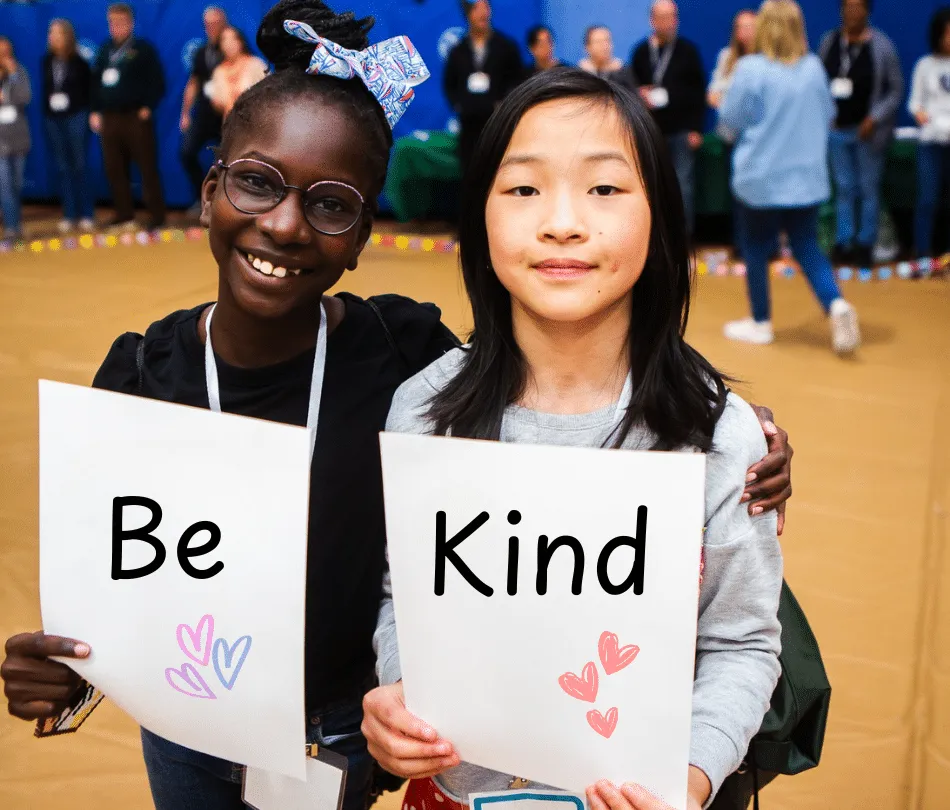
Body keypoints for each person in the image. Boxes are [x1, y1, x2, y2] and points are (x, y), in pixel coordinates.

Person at [0, 5, 794, 809]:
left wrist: (740, 435)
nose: (282, 223)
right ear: (211, 191)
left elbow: (574, 366)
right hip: (198, 727)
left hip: (349, 736)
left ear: (362, 232)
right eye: (256, 182)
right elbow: (123, 582)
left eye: (330, 203)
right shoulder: (149, 377)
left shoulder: (404, 357)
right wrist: (72, 670)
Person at [362, 67, 784, 810]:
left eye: (605, 189)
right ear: (481, 214)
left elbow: (740, 643)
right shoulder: (425, 411)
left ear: (659, 215)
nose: (562, 221)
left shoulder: (718, 435)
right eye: (523, 189)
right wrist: (399, 689)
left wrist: (686, 783)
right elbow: (409, 593)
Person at [720, 0, 860, 354]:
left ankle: (760, 322)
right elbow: (829, 113)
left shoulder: (751, 69)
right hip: (807, 179)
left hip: (760, 179)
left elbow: (729, 119)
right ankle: (836, 305)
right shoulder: (814, 68)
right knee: (807, 246)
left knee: (755, 249)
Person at [819, 0, 904, 267]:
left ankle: (866, 244)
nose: (852, 12)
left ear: (867, 11)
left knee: (868, 189)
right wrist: (825, 112)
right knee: (844, 189)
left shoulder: (882, 45)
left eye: (858, 7)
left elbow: (895, 90)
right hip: (836, 130)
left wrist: (874, 117)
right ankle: (844, 242)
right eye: (847, 7)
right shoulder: (829, 42)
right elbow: (818, 82)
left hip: (868, 132)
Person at [630, 0, 706, 236]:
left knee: (683, 186)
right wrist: (640, 92)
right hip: (651, 130)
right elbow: (632, 86)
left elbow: (698, 92)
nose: (668, 22)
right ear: (652, 20)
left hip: (682, 130)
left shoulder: (688, 51)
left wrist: (696, 128)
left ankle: (682, 239)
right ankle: (653, 238)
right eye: (662, 17)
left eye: (672, 16)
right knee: (650, 185)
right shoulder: (642, 51)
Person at [89, 3, 167, 230]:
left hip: (136, 117)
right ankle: (124, 214)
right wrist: (95, 110)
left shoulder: (143, 49)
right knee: (114, 167)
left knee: (146, 166)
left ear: (130, 23)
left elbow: (158, 82)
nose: (117, 27)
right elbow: (95, 83)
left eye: (121, 22)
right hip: (110, 118)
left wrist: (148, 106)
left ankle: (156, 215)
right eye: (113, 23)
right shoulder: (104, 50)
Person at [443, 0, 524, 176]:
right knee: (470, 172)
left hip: (497, 122)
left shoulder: (506, 46)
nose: (482, 13)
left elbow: (517, 79)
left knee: (498, 170)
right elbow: (449, 83)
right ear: (468, 14)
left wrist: (504, 105)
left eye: (485, 7)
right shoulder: (458, 50)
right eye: (476, 8)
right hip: (469, 123)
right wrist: (459, 104)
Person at [708, 9, 756, 261]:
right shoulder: (727, 58)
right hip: (732, 136)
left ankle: (762, 243)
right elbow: (713, 94)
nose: (746, 31)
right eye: (742, 26)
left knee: (759, 191)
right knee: (737, 191)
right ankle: (740, 241)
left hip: (760, 140)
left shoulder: (767, 59)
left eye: (751, 26)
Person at [43, 18, 95, 234]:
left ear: (66, 36)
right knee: (63, 168)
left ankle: (87, 214)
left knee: (79, 165)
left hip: (76, 116)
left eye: (56, 33)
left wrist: (73, 103)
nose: (51, 37)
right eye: (50, 33)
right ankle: (69, 214)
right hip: (54, 119)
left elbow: (87, 91)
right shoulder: (46, 61)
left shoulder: (79, 62)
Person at [909, 6, 950, 259]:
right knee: (927, 200)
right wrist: (922, 116)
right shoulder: (925, 65)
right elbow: (915, 102)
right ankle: (923, 253)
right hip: (931, 143)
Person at [180, 6, 228, 214]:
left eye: (215, 23)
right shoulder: (201, 51)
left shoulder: (232, 48)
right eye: (207, 24)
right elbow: (193, 82)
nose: (211, 27)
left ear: (224, 23)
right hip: (203, 113)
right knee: (186, 152)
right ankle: (202, 196)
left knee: (224, 161)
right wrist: (185, 113)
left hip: (226, 116)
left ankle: (222, 202)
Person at [0, 36, 30, 241]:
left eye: (7, 52)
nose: (4, 56)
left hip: (18, 137)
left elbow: (25, 97)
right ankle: (12, 227)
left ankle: (12, 219)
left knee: (17, 184)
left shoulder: (19, 72)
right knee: (5, 185)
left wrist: (12, 76)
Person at [208, 26, 267, 119]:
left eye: (233, 39)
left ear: (240, 42)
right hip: (231, 126)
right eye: (224, 40)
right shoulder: (218, 72)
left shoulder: (255, 64)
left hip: (257, 122)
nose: (229, 44)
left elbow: (269, 91)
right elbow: (217, 103)